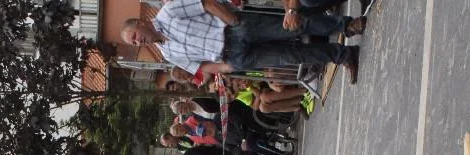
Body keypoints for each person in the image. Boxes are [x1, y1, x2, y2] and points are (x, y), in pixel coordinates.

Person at [120, 0, 366, 82]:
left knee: (292, 28)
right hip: (233, 56)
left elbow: (204, 3)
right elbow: (200, 66)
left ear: (140, 23)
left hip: (235, 30)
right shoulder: (167, 54)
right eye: (134, 43)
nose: (138, 41)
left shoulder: (167, 13)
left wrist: (233, 21)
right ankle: (343, 55)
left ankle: (346, 25)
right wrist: (229, 67)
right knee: (292, 55)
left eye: (135, 36)